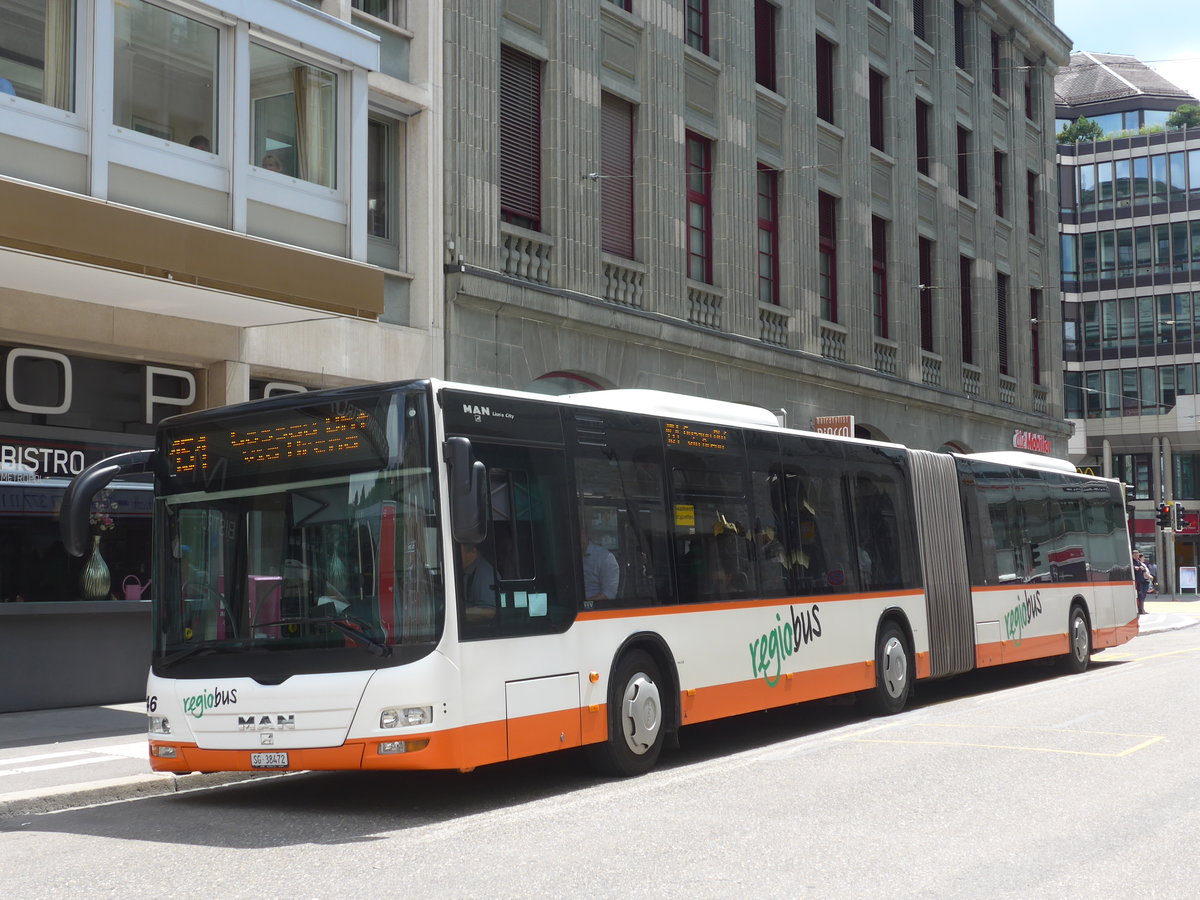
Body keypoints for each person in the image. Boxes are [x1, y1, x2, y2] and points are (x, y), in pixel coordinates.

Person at [581, 526, 620, 603]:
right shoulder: (566, 556)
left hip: (596, 607)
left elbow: (609, 593)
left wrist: (584, 603)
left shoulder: (605, 558)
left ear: (585, 534)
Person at [460, 543, 497, 623]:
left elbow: (490, 611)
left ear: (473, 552)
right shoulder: (468, 571)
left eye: (458, 552)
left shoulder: (485, 574)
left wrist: (458, 613)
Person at [1132, 550, 1152, 615]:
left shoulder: (1139, 562)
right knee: (1139, 596)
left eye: (1137, 555)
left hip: (1141, 581)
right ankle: (1140, 610)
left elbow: (1144, 570)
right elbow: (1130, 568)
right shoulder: (1131, 562)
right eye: (1135, 555)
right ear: (1132, 555)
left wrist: (1149, 576)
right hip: (1135, 582)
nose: (1137, 556)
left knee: (1141, 596)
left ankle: (1141, 609)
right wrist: (1135, 568)